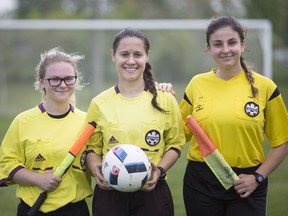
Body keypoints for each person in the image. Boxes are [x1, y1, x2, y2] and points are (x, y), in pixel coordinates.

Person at [179, 16, 288, 216]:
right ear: (208, 48)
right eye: (217, 44)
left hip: (246, 182)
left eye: (232, 42)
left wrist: (258, 177)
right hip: (201, 181)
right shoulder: (196, 84)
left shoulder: (265, 87)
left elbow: (282, 141)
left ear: (242, 45)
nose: (225, 49)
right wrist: (164, 96)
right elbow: (177, 133)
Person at [85, 27, 186, 216]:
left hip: (152, 190)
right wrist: (95, 169)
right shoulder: (99, 103)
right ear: (113, 55)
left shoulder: (165, 99)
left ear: (147, 56)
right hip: (110, 193)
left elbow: (175, 144)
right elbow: (92, 148)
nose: (131, 61)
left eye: (137, 54)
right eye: (124, 54)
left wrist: (160, 171)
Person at [0, 47, 92, 215]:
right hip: (33, 208)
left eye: (69, 79)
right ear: (42, 81)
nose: (63, 85)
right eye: (55, 79)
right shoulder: (23, 121)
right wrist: (37, 179)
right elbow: (6, 164)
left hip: (75, 209)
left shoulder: (86, 123)